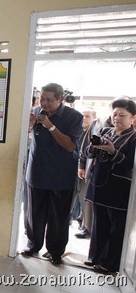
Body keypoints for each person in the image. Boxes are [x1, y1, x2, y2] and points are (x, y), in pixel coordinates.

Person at [22, 83, 83, 265]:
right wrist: (29, 125)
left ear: (60, 99)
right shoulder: (35, 111)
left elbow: (70, 146)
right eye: (42, 99)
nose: (44, 103)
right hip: (37, 173)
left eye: (49, 100)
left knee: (59, 217)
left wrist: (49, 126)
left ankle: (55, 251)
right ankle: (33, 245)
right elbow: (23, 135)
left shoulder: (74, 117)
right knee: (34, 213)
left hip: (61, 177)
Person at [84, 99, 136, 274]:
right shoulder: (106, 131)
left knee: (116, 229)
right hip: (99, 186)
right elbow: (88, 153)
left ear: (133, 118)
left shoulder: (133, 138)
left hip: (119, 191)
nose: (117, 118)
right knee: (99, 225)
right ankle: (95, 258)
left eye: (122, 115)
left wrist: (113, 152)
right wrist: (94, 147)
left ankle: (109, 263)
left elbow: (130, 165)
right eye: (115, 114)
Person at [72, 107, 96, 237]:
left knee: (85, 200)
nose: (84, 118)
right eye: (83, 115)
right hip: (74, 170)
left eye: (88, 116)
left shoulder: (96, 131)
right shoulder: (76, 131)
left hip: (87, 173)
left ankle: (86, 227)